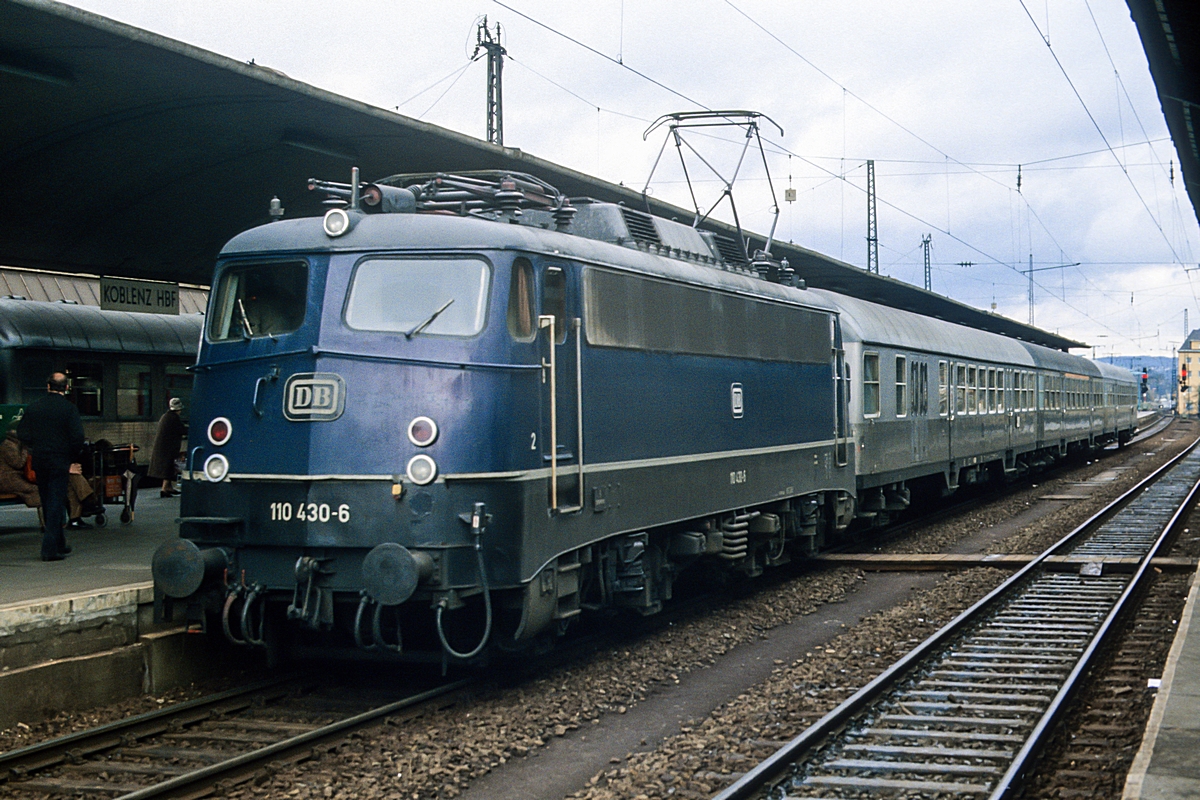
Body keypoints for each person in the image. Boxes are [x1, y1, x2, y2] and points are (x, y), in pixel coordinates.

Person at [17, 372, 85, 561]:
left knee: (48, 502)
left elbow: (22, 433)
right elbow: (77, 437)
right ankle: (48, 549)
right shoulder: (69, 409)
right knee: (56, 502)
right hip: (60, 461)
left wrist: (37, 444)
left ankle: (59, 543)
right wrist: (71, 458)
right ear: (65, 388)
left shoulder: (34, 407)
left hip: (40, 460)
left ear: (48, 386)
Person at [149, 397, 186, 497]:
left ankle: (168, 487)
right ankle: (165, 489)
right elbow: (182, 430)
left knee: (169, 467)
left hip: (165, 448)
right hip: (167, 449)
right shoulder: (173, 418)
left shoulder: (166, 416)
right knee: (168, 467)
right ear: (178, 409)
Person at [0, 428, 40, 508]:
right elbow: (18, 463)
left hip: (14, 477)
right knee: (36, 490)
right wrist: (26, 449)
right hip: (8, 479)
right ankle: (45, 518)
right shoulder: (8, 445)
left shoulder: (16, 444)